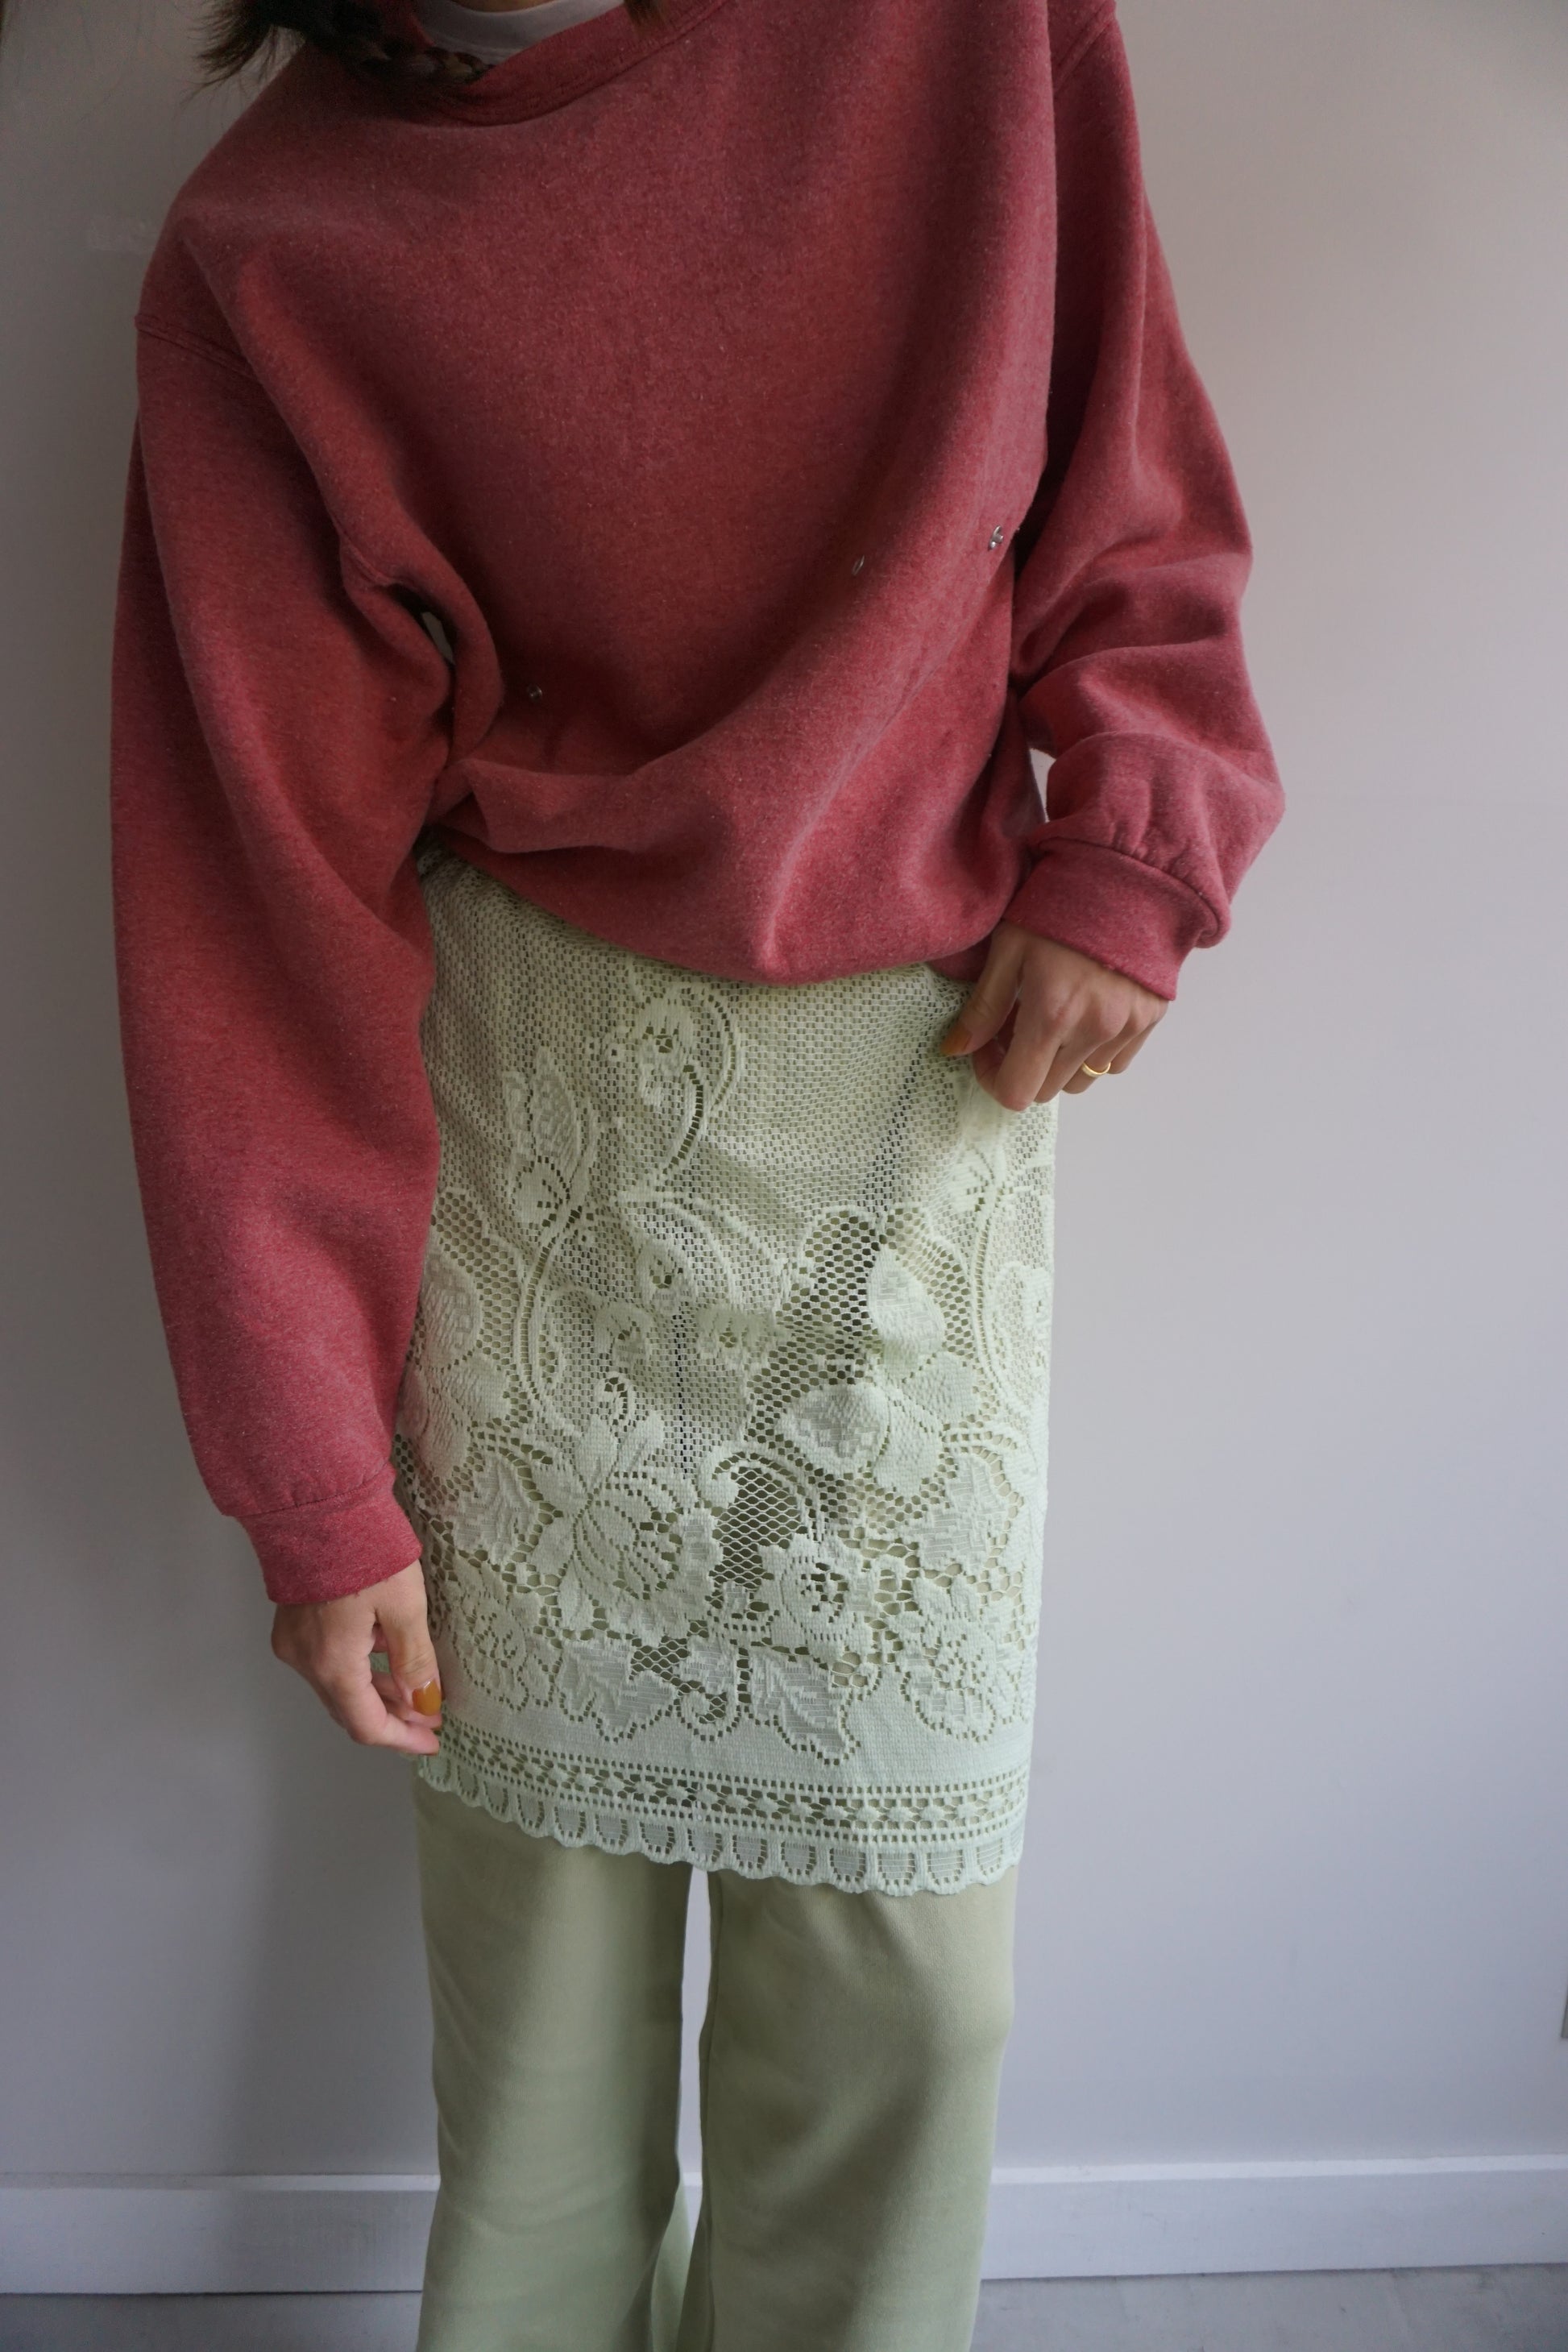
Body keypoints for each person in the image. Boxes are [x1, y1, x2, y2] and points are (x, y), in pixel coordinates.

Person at [104, 0, 1284, 2344]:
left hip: (908, 1125)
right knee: (538, 2014)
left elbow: (1121, 463)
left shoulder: (963, 38)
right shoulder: (271, 249)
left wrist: (1134, 843)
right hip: (522, 1161)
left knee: (906, 1991)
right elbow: (254, 920)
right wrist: (314, 1481)